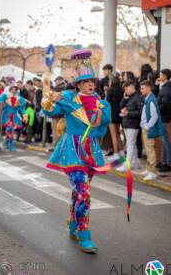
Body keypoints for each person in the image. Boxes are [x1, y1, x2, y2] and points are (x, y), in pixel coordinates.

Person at [42, 50, 111, 254]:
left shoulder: (101, 103)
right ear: (79, 84)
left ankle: (73, 224)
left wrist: (99, 115)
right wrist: (48, 99)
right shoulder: (69, 99)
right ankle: (84, 234)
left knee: (80, 190)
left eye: (92, 81)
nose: (90, 84)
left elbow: (101, 128)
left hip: (91, 151)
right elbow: (51, 112)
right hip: (72, 150)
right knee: (84, 191)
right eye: (86, 81)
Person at [140, 80, 165, 180]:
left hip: (148, 129)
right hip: (145, 127)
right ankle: (148, 168)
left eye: (142, 88)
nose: (141, 90)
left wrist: (147, 126)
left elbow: (154, 116)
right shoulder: (148, 98)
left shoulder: (151, 100)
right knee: (147, 149)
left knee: (150, 150)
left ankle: (152, 171)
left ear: (148, 88)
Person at [117, 82, 143, 171]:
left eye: (126, 89)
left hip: (133, 124)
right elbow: (120, 106)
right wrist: (124, 99)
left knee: (130, 144)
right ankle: (134, 163)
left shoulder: (138, 97)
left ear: (132, 87)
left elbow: (140, 112)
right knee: (132, 143)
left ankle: (127, 164)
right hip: (127, 123)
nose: (125, 91)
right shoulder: (129, 97)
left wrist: (129, 113)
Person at [157, 69, 171, 172]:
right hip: (164, 118)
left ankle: (168, 164)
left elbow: (164, 105)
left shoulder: (166, 89)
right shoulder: (165, 88)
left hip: (163, 118)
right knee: (164, 141)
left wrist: (156, 110)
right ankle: (165, 162)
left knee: (165, 141)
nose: (159, 76)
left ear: (165, 76)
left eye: (161, 75)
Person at [1, 85, 27, 151]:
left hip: (15, 117)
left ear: (17, 90)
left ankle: (8, 143)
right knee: (9, 129)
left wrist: (25, 116)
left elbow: (22, 109)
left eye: (15, 89)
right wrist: (2, 104)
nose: (14, 91)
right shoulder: (5, 96)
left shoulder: (20, 99)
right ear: (10, 90)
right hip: (6, 116)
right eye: (12, 89)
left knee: (11, 130)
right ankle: (10, 144)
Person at [106, 77, 124, 160]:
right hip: (119, 114)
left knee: (114, 135)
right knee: (117, 134)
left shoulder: (110, 91)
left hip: (112, 115)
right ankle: (122, 152)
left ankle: (116, 153)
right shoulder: (122, 90)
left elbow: (107, 104)